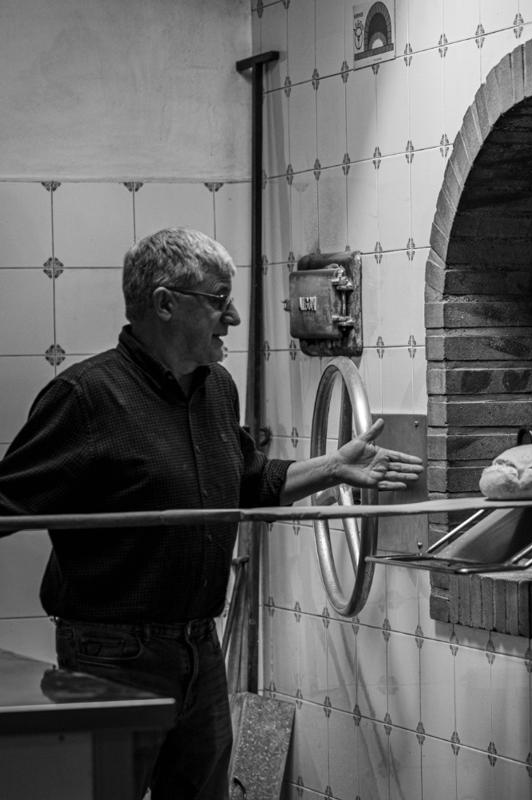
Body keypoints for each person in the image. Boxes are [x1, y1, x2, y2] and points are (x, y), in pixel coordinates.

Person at [0, 227, 423, 800]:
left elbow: (249, 482)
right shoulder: (87, 396)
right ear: (165, 303)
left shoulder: (216, 389)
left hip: (199, 644)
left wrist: (333, 466)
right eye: (219, 301)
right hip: (111, 653)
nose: (234, 320)